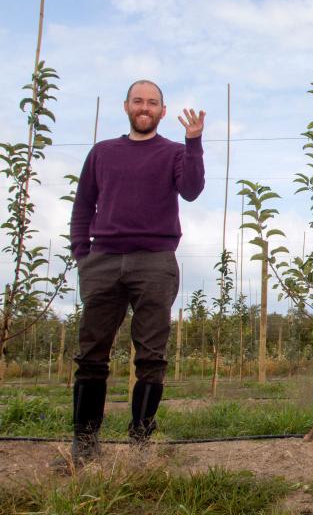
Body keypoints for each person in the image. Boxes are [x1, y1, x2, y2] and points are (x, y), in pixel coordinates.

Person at [65, 79, 205, 466]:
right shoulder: (102, 153)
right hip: (104, 260)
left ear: (163, 111)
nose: (145, 107)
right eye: (138, 101)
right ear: (126, 106)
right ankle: (85, 444)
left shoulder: (176, 152)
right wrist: (83, 256)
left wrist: (194, 142)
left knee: (151, 354)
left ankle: (141, 440)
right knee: (91, 353)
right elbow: (83, 206)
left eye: (153, 103)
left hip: (154, 260)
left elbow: (192, 190)